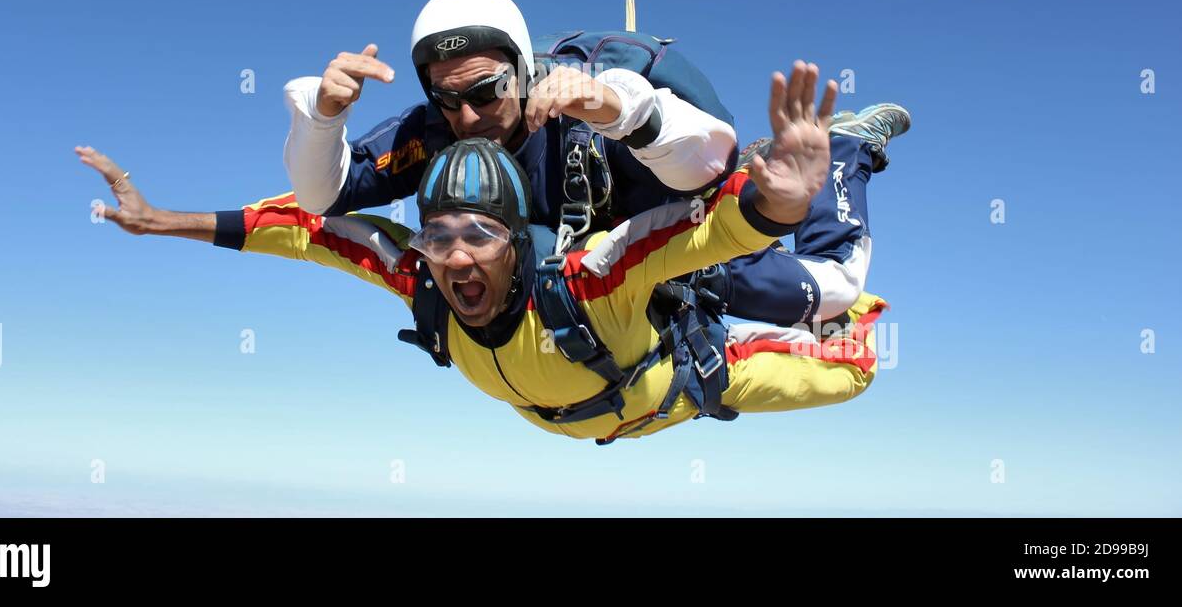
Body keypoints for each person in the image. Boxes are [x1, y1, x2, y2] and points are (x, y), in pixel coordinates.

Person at [78, 62, 886, 444]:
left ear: (520, 242)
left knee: (849, 339)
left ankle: (844, 159)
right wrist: (160, 222)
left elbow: (703, 232)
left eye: (479, 236)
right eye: (438, 236)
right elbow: (302, 229)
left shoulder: (590, 278)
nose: (456, 259)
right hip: (592, 412)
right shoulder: (420, 279)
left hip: (689, 382)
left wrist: (780, 196)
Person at [283, 0, 909, 330]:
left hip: (674, 240)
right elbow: (325, 197)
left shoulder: (592, 108)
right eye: (446, 97)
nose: (468, 117)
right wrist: (322, 117)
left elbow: (708, 166)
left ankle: (846, 150)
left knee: (831, 293)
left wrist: (618, 110)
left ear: (526, 71)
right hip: (588, 276)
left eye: (485, 90)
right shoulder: (437, 129)